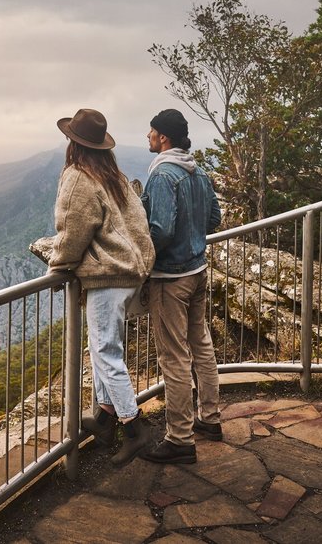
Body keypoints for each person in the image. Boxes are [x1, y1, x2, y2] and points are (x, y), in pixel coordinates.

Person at [48, 108, 156, 466]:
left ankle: (134, 428)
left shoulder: (79, 176)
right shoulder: (115, 175)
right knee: (104, 350)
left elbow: (73, 229)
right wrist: (142, 263)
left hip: (107, 277)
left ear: (73, 144)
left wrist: (59, 263)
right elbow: (139, 225)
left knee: (106, 354)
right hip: (130, 273)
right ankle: (105, 418)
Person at [140, 108, 222, 465]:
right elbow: (215, 218)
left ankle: (180, 438)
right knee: (201, 345)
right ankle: (211, 419)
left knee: (173, 357)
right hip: (199, 270)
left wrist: (141, 262)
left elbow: (160, 230)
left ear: (164, 138)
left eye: (152, 131)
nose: (148, 136)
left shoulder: (162, 176)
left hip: (170, 279)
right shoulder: (198, 171)